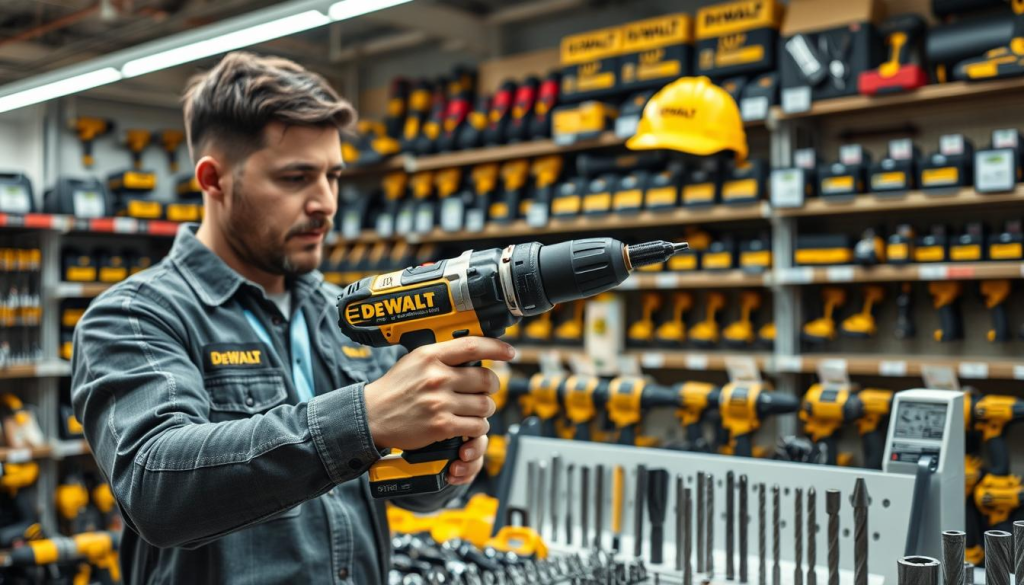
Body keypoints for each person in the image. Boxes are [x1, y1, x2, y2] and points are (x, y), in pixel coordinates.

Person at [71, 51, 512, 584]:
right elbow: (155, 489)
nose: (325, 202)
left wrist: (445, 462)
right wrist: (365, 418)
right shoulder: (135, 317)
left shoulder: (348, 313)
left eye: (333, 175)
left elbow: (407, 493)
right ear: (213, 180)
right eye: (296, 177)